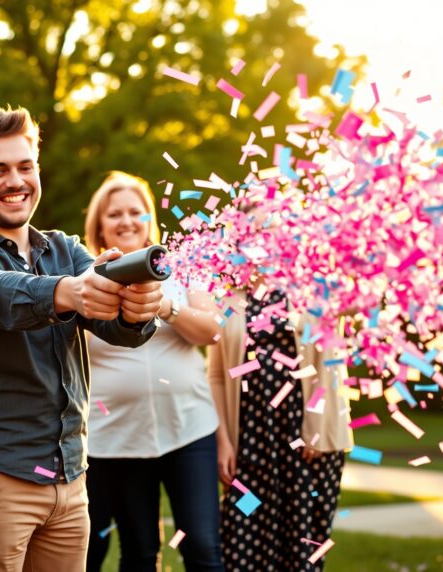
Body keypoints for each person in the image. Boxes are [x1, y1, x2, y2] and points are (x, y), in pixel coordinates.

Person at [0, 107, 164, 571]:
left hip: (71, 479)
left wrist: (136, 309)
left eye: (24, 166)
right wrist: (67, 290)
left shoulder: (64, 249)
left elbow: (117, 328)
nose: (15, 180)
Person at [82, 172, 223, 572]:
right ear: (99, 224)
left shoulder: (185, 268)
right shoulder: (86, 277)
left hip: (189, 430)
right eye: (114, 214)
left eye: (136, 211)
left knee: (202, 547)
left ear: (149, 219)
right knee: (140, 553)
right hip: (117, 441)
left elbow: (213, 331)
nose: (126, 220)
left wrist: (164, 306)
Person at [208, 258, 352, 568]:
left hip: (307, 442)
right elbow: (217, 376)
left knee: (302, 547)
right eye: (253, 229)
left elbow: (330, 360)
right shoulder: (227, 297)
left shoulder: (314, 286)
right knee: (242, 540)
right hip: (249, 443)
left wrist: (316, 424)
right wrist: (223, 442)